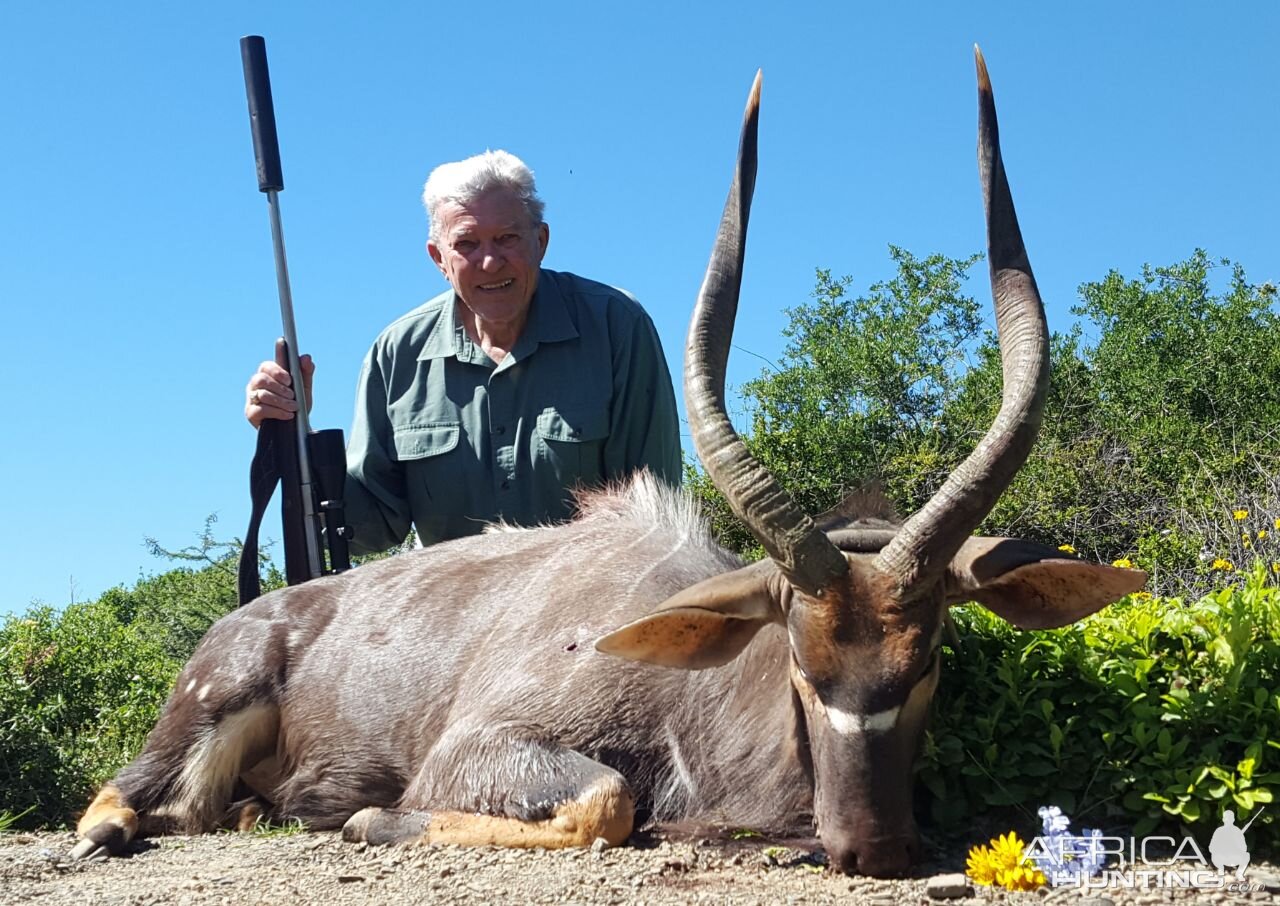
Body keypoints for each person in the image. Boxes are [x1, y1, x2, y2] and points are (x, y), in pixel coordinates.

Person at [244, 150, 681, 554]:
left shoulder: (616, 326)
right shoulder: (396, 354)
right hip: (456, 620)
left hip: (585, 612)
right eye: (467, 244)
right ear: (439, 258)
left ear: (541, 241)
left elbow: (650, 518)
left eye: (507, 238)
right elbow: (368, 528)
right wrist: (292, 434)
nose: (490, 262)